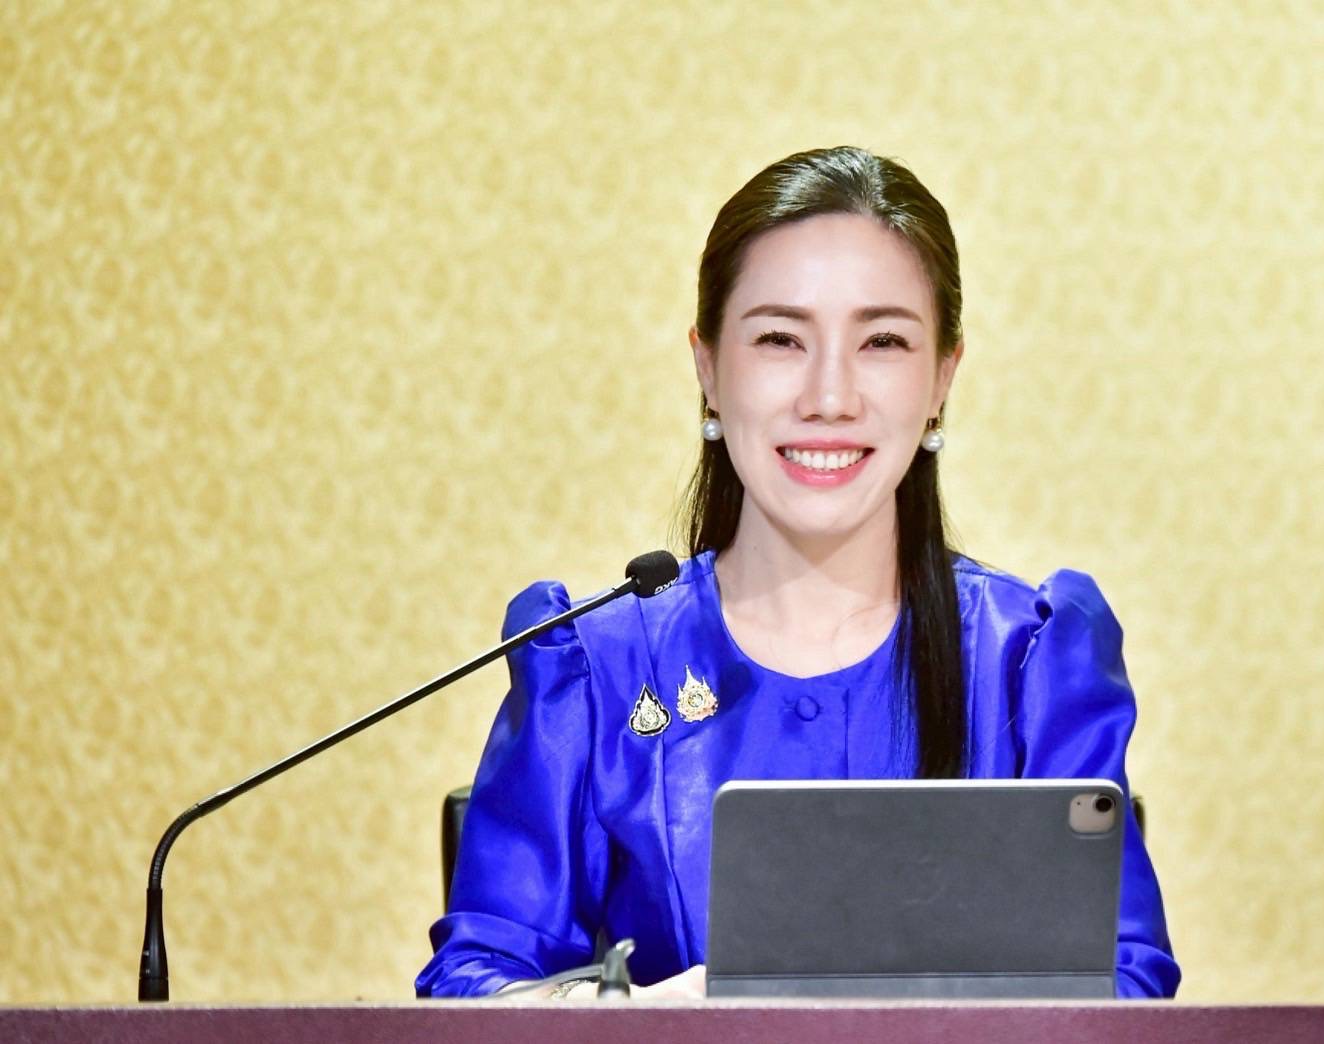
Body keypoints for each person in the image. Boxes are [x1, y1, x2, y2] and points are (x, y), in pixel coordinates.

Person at [415, 146, 1180, 999]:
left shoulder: (1030, 663)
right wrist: (643, 1017)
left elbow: (1122, 985)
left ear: (942, 378)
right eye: (781, 339)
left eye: (882, 341)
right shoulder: (595, 668)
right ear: (709, 367)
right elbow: (477, 978)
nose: (829, 396)